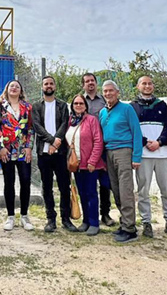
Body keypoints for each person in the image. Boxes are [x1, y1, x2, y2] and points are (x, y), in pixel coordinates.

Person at [132, 76, 167, 238]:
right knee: (143, 190)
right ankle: (146, 222)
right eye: (144, 83)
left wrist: (159, 142)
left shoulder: (162, 105)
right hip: (143, 155)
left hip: (163, 154)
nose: (147, 86)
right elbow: (133, 130)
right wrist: (146, 142)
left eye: (150, 83)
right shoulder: (132, 107)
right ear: (138, 86)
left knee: (166, 190)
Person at [99, 80, 143, 243]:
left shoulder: (127, 109)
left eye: (111, 91)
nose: (108, 94)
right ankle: (125, 222)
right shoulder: (103, 112)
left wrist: (136, 156)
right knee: (116, 189)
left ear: (117, 92)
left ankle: (130, 229)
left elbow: (137, 132)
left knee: (125, 190)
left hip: (124, 151)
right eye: (105, 91)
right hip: (109, 152)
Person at [33, 76, 77, 232]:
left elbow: (65, 123)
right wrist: (52, 141)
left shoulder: (63, 106)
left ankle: (66, 219)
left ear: (55, 87)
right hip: (44, 153)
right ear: (42, 87)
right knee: (47, 188)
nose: (49, 86)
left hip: (61, 154)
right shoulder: (36, 106)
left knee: (64, 187)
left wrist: (57, 142)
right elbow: (37, 126)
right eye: (46, 84)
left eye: (51, 83)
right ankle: (50, 219)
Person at [0, 79, 34, 231]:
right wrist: (0, 147)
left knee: (25, 180)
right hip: (6, 151)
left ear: (21, 90)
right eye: (11, 86)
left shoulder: (28, 107)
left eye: (17, 86)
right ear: (7, 89)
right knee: (9, 182)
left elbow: (30, 128)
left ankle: (24, 216)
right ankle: (10, 216)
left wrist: (29, 147)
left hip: (23, 150)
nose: (14, 88)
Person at [65, 94, 106, 236]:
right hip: (77, 165)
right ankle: (86, 221)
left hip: (90, 165)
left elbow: (98, 141)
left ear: (85, 105)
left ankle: (94, 222)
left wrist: (92, 161)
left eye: (81, 103)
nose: (78, 105)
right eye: (75, 103)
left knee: (91, 194)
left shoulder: (91, 120)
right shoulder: (71, 121)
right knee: (82, 193)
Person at [82, 73, 116, 227]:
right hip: (86, 150)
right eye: (87, 81)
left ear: (96, 83)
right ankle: (88, 215)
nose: (90, 83)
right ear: (83, 85)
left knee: (105, 183)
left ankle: (105, 214)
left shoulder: (105, 101)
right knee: (88, 185)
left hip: (104, 148)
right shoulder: (79, 102)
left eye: (92, 81)